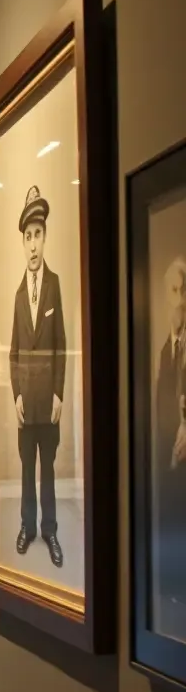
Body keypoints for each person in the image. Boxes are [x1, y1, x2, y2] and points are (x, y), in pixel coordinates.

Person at [10, 186, 66, 568]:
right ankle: (27, 527)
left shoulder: (54, 284)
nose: (33, 245)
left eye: (38, 235)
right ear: (23, 241)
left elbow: (61, 343)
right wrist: (15, 393)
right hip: (26, 404)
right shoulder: (17, 295)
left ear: (45, 238)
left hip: (49, 401)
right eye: (27, 237)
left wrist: (60, 393)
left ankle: (49, 529)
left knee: (48, 468)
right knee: (26, 468)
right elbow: (13, 351)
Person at [154, 257, 186, 627]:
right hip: (167, 461)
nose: (179, 302)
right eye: (173, 292)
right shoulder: (165, 352)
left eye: (183, 291)